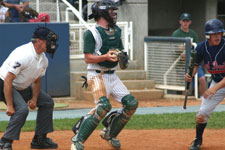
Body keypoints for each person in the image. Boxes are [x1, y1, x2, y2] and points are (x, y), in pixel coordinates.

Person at [70, 0, 138, 150]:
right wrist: (105, 57)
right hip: (96, 75)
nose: (114, 13)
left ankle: (109, 134)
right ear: (101, 13)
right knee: (103, 107)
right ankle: (77, 140)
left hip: (112, 76)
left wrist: (122, 58)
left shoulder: (117, 31)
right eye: (111, 10)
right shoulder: (91, 33)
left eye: (114, 10)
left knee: (131, 103)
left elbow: (120, 52)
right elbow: (88, 58)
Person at [0, 26, 59, 150]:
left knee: (47, 102)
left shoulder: (43, 60)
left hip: (22, 86)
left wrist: (34, 98)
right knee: (22, 110)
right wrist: (10, 105)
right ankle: (5, 141)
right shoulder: (24, 54)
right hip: (4, 84)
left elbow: (37, 81)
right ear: (38, 40)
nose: (51, 44)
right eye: (48, 41)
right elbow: (8, 79)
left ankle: (39, 139)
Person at [185, 19, 225, 150]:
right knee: (202, 114)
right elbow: (195, 66)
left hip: (217, 85)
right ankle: (198, 139)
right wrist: (190, 75)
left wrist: (214, 88)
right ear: (208, 35)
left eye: (219, 33)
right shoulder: (202, 47)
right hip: (217, 82)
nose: (217, 36)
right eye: (214, 34)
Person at [172, 12, 207, 97]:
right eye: (183, 21)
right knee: (187, 85)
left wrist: (190, 46)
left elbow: (196, 48)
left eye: (187, 21)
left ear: (190, 22)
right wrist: (185, 48)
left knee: (202, 79)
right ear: (180, 21)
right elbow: (174, 49)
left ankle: (204, 101)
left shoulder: (193, 33)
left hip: (192, 62)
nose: (185, 23)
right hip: (181, 64)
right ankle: (185, 104)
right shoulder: (176, 33)